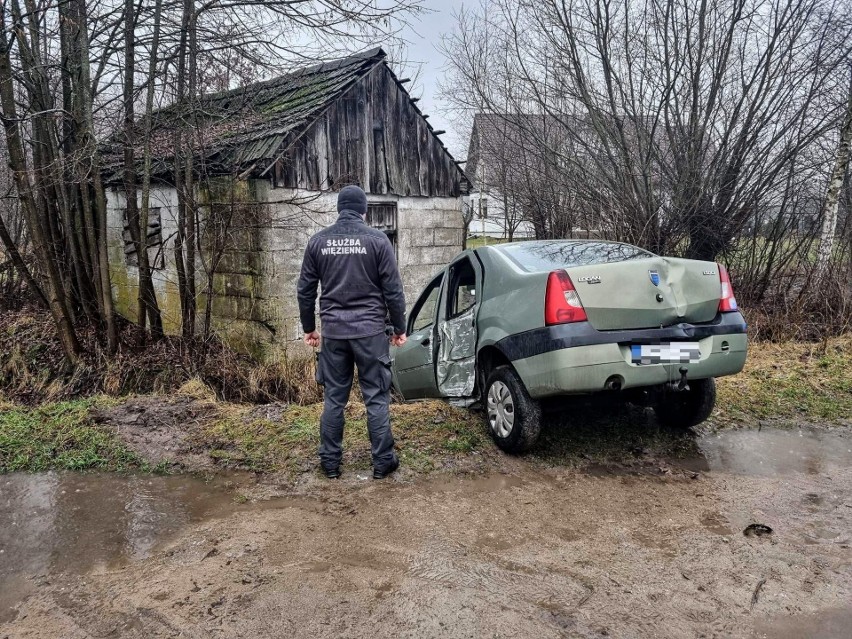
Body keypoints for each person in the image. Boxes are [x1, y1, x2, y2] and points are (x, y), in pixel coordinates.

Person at [296, 185, 408, 480]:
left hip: (334, 332)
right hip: (370, 332)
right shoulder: (378, 240)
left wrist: (309, 328)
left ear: (338, 209)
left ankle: (330, 464)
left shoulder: (317, 242)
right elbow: (393, 290)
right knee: (376, 397)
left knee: (334, 398)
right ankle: (383, 462)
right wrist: (400, 328)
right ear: (364, 210)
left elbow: (305, 290)